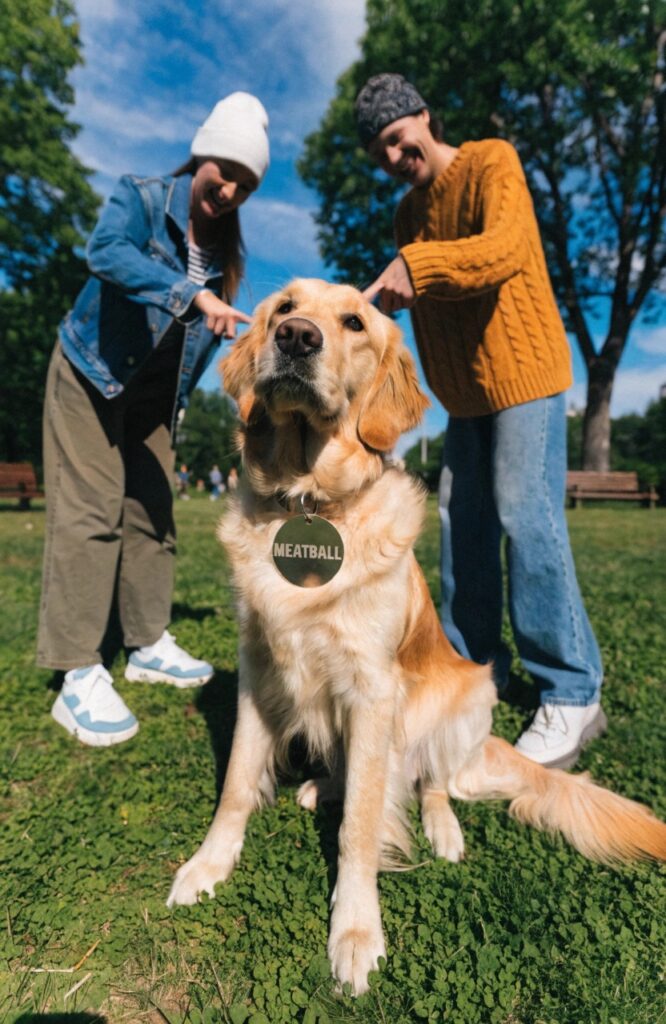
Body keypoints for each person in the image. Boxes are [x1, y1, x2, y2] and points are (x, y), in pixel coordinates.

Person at [356, 74, 604, 769]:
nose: (396, 156)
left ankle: (572, 690)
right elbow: (428, 297)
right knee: (460, 528)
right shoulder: (406, 218)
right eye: (381, 151)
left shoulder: (492, 160)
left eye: (399, 138)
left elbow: (505, 252)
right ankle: (466, 674)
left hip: (526, 378)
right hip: (464, 398)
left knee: (526, 515)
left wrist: (420, 266)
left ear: (424, 118)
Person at [39, 92, 270, 747]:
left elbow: (191, 356)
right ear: (202, 153)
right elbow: (104, 253)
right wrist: (188, 293)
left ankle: (145, 645)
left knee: (153, 512)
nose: (229, 190)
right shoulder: (141, 198)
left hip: (150, 400)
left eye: (246, 185)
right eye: (225, 169)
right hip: (88, 370)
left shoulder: (226, 262)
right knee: (91, 513)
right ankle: (79, 669)